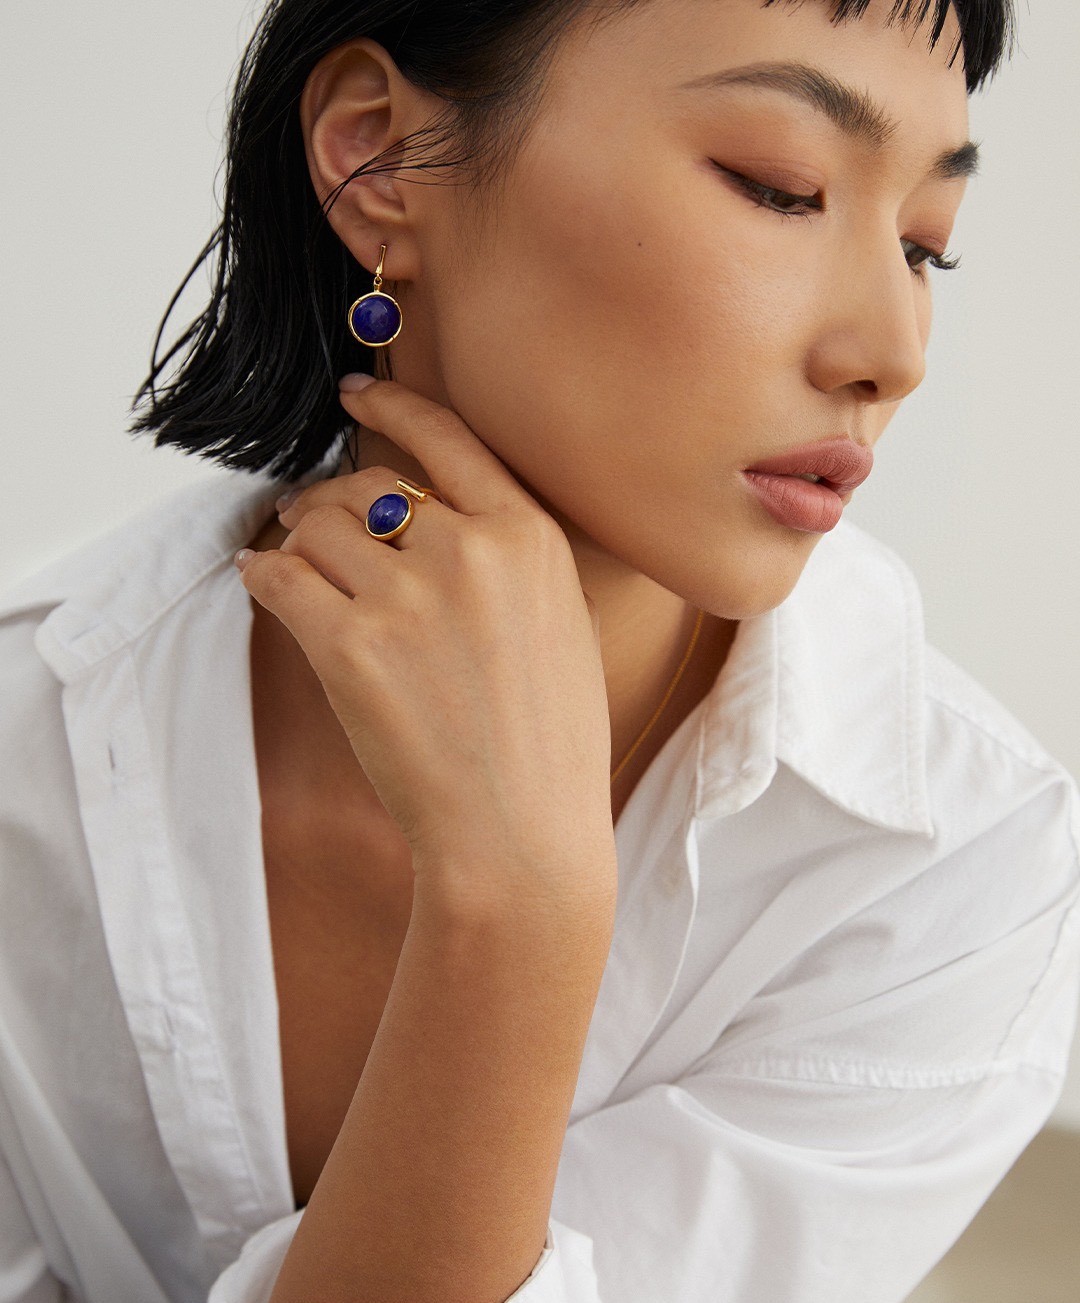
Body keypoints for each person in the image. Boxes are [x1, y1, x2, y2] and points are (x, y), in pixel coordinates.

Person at [1, 0, 1078, 1299]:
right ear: (378, 155)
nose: (891, 355)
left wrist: (521, 910)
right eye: (780, 188)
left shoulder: (953, 873)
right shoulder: (30, 733)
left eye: (923, 246)